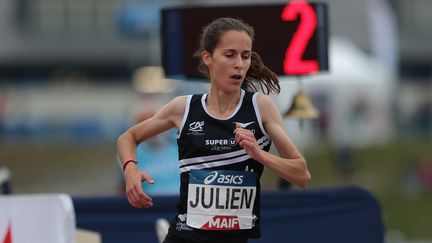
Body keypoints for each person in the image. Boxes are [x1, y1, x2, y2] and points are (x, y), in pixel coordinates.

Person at [117, 17, 311, 243]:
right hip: (185, 237)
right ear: (208, 57)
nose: (239, 64)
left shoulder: (260, 107)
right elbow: (128, 137)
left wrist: (259, 154)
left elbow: (302, 175)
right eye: (230, 55)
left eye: (245, 56)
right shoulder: (184, 108)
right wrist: (130, 169)